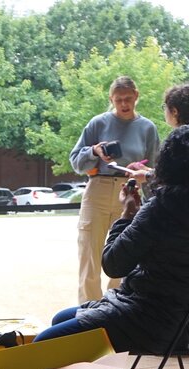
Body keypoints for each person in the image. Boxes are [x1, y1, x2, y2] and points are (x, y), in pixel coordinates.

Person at [36, 125, 189, 355]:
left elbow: (113, 264)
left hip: (147, 319)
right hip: (180, 323)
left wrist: (127, 213)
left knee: (43, 344)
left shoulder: (162, 208)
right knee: (61, 319)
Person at [69, 76, 160, 303]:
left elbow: (157, 168)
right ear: (111, 99)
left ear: (136, 96)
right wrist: (94, 152)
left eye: (128, 98)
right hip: (98, 187)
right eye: (118, 99)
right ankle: (88, 313)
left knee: (125, 253)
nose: (123, 104)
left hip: (131, 189)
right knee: (90, 254)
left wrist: (142, 170)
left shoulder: (147, 128)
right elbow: (76, 161)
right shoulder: (98, 123)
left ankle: (115, 310)